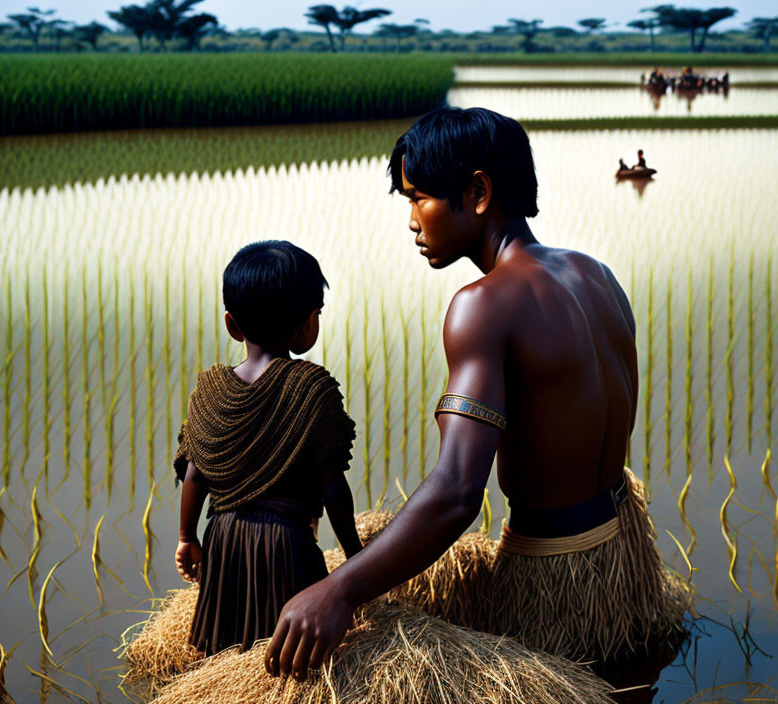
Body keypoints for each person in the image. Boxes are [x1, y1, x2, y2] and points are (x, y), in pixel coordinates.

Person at [263, 107, 688, 680]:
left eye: (419, 198)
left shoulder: (482, 305)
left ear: (478, 192)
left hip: (553, 578)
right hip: (620, 559)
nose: (412, 220)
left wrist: (339, 589)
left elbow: (459, 490)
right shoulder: (597, 274)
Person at [173, 240, 362, 657]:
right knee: (290, 656)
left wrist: (188, 537)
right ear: (308, 323)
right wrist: (355, 556)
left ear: (232, 324)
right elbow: (333, 488)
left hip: (223, 541)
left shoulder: (210, 392)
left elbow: (193, 474)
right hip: (286, 543)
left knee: (225, 652)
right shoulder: (313, 389)